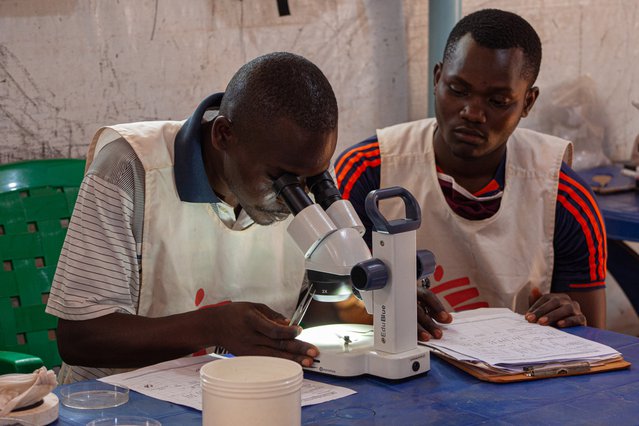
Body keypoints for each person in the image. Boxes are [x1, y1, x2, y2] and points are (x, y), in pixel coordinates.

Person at [46, 52, 339, 383]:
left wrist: (373, 308)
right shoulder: (131, 168)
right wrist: (213, 326)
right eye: (282, 179)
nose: (297, 196)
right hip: (118, 404)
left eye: (314, 178)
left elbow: (308, 307)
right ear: (224, 135)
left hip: (237, 394)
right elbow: (79, 337)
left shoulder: (301, 170)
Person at [334, 8, 607, 338]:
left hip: (517, 382)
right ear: (437, 79)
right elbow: (322, 307)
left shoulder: (563, 197)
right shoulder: (367, 171)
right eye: (458, 90)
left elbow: (597, 346)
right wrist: (377, 308)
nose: (472, 113)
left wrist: (569, 316)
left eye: (498, 100)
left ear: (528, 102)